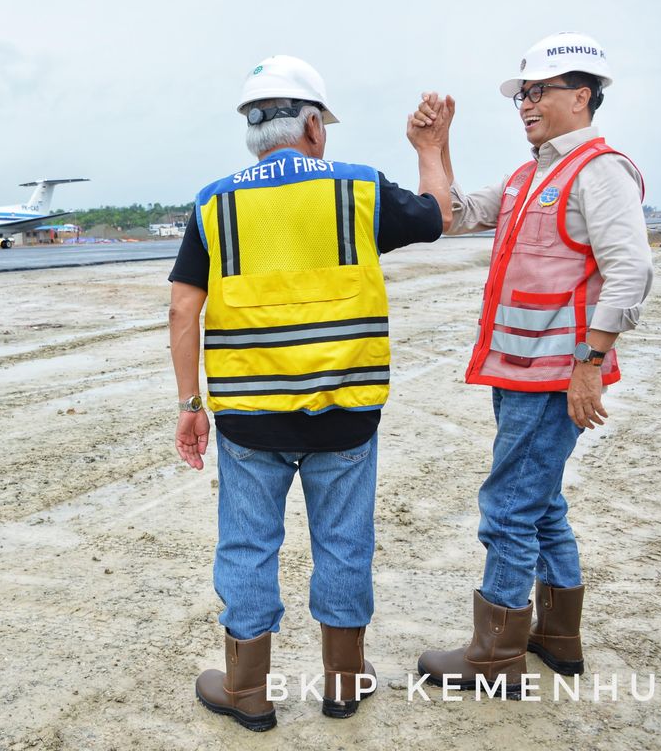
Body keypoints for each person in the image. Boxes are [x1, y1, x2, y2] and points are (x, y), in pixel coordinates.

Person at [168, 54, 450, 731]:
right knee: (344, 545)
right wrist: (432, 149)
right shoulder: (356, 189)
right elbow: (438, 214)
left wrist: (189, 406)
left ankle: (247, 692)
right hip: (344, 417)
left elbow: (184, 307)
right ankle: (344, 683)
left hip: (249, 419)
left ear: (252, 129)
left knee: (246, 548)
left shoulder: (215, 202)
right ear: (314, 125)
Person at [408, 32, 653, 697]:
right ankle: (556, 638)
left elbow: (633, 270)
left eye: (539, 90)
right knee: (541, 508)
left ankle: (495, 658)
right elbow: (455, 215)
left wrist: (588, 364)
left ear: (583, 95)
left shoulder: (599, 170)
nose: (526, 102)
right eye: (522, 93)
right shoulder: (530, 175)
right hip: (522, 373)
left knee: (509, 508)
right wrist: (433, 150)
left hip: (553, 375)